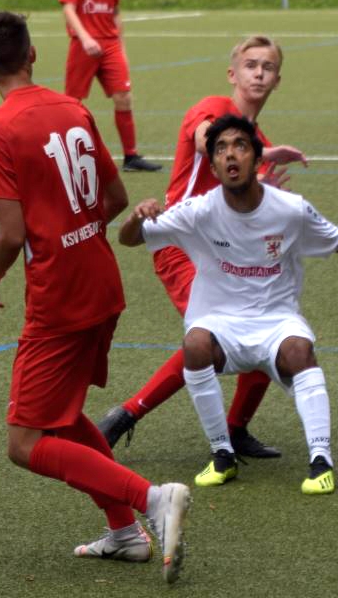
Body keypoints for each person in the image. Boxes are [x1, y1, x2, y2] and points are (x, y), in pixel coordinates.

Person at [0, 11, 189, 583]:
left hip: (60, 296)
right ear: (34, 54)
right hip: (101, 277)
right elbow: (115, 198)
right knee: (62, 415)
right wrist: (75, 230)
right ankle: (125, 534)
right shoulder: (74, 108)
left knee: (24, 441)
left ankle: (151, 498)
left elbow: (12, 234)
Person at [119, 114, 338, 494]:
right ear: (213, 165)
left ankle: (321, 460)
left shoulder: (290, 208)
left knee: (300, 350)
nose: (231, 155)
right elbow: (128, 239)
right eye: (221, 149)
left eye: (240, 146)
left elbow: (333, 235)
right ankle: (222, 455)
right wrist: (136, 216)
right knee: (194, 344)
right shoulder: (199, 211)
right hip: (220, 322)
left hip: (276, 322)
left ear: (256, 157)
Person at [97, 36, 308, 460]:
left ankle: (235, 429)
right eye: (250, 65)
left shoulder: (255, 139)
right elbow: (207, 140)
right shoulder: (214, 109)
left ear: (277, 79)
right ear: (233, 74)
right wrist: (263, 156)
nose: (259, 73)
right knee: (209, 335)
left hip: (224, 251)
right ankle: (125, 415)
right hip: (180, 246)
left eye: (267, 67)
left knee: (271, 317)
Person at [59, 0, 161, 173]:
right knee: (73, 102)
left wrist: (121, 47)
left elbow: (114, 11)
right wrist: (84, 38)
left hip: (110, 45)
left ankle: (131, 157)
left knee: (124, 97)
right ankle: (67, 153)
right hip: (84, 45)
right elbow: (68, 9)